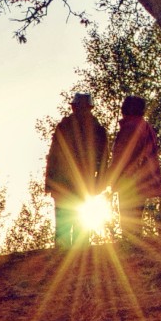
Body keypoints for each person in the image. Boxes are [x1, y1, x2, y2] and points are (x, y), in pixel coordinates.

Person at [44, 93, 109, 251]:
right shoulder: (97, 130)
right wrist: (100, 183)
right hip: (80, 183)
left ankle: (67, 259)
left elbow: (53, 156)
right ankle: (77, 258)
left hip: (66, 183)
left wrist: (49, 183)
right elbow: (104, 161)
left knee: (66, 223)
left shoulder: (66, 127)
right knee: (76, 223)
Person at [107, 95, 161, 237]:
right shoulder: (145, 126)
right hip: (143, 180)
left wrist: (107, 178)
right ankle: (135, 251)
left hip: (129, 180)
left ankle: (130, 253)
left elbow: (121, 156)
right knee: (135, 220)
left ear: (125, 109)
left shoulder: (130, 127)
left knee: (128, 222)